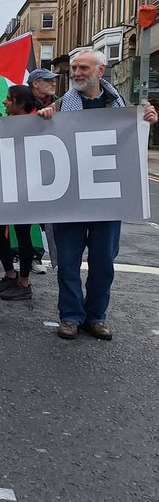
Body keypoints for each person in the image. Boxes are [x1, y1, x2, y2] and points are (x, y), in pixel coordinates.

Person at [41, 49, 157, 340]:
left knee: (103, 262)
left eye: (83, 68)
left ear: (100, 71)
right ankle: (70, 316)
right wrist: (42, 118)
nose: (77, 73)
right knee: (68, 261)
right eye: (74, 68)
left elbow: (136, 135)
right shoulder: (59, 106)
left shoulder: (122, 107)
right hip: (69, 199)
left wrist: (148, 120)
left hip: (107, 199)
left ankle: (96, 316)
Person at [0, 84, 40, 303]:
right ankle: (10, 274)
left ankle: (24, 282)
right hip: (4, 186)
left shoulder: (40, 121)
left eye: (8, 99)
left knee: (22, 233)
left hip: (26, 189)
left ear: (20, 103)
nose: (4, 102)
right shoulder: (4, 123)